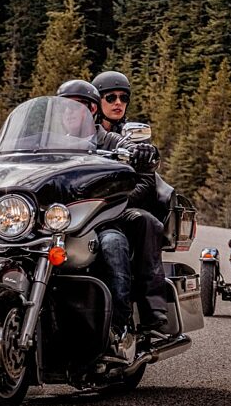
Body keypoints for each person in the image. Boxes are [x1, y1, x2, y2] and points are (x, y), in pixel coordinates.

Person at [57, 78, 166, 338]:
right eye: (67, 108)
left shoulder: (112, 140)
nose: (73, 113)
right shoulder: (47, 143)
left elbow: (137, 164)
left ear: (92, 110)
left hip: (99, 220)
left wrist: (143, 152)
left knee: (113, 244)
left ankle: (119, 325)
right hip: (54, 221)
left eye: (80, 107)